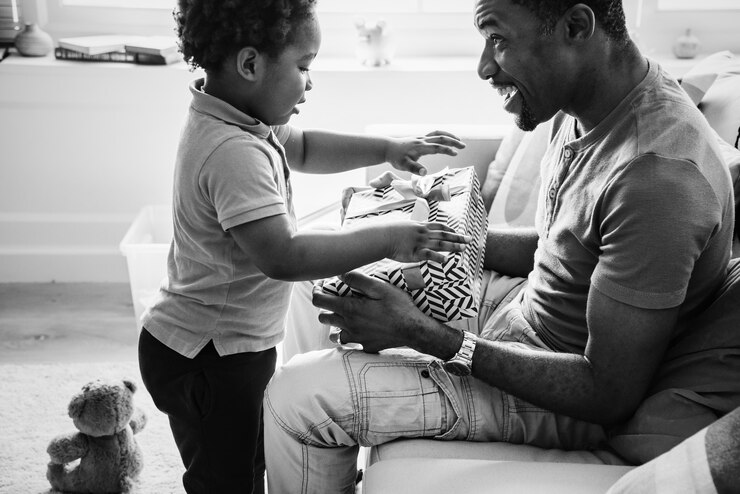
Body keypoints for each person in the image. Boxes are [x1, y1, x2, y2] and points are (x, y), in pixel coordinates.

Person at [263, 0, 737, 492]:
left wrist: (421, 333)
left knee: (296, 399)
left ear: (576, 27)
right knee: (320, 274)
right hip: (518, 315)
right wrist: (411, 233)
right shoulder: (587, 106)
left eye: (499, 40)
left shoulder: (657, 178)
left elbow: (606, 392)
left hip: (559, 394)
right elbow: (564, 248)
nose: (484, 67)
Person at [136, 1, 471, 493]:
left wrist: (386, 149)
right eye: (303, 66)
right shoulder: (231, 150)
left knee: (248, 457)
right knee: (225, 479)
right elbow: (284, 256)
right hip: (208, 355)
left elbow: (306, 146)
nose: (310, 83)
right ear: (250, 65)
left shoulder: (240, 116)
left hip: (225, 344)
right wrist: (390, 237)